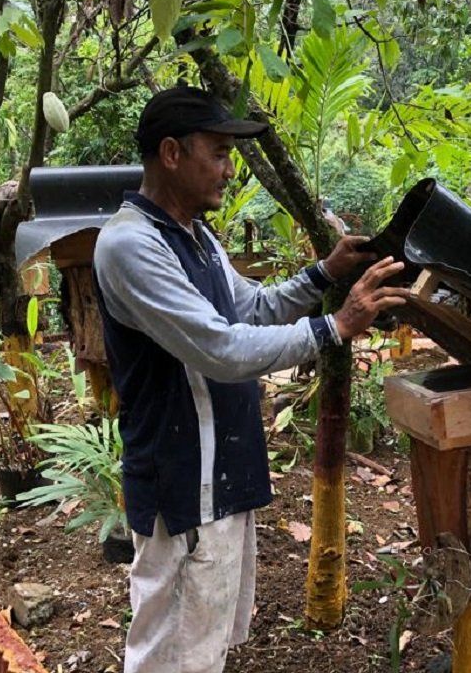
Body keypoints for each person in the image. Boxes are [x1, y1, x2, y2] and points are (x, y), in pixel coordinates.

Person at [93, 86, 410, 673]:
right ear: (171, 153)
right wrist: (336, 327)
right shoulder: (130, 245)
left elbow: (251, 309)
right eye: (217, 152)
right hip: (187, 485)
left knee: (202, 648)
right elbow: (220, 348)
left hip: (222, 477)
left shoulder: (193, 235)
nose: (228, 168)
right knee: (175, 655)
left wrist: (323, 273)